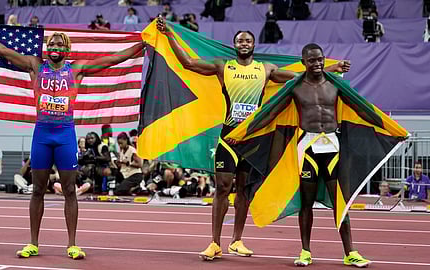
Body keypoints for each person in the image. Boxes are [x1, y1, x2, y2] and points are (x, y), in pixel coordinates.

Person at [156, 18, 350, 261]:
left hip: (253, 138)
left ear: (254, 44)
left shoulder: (266, 69)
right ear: (235, 45)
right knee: (223, 188)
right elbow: (188, 63)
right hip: (229, 136)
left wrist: (331, 69)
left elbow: (300, 76)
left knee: (245, 191)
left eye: (248, 40)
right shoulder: (222, 65)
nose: (244, 43)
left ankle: (237, 240)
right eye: (240, 40)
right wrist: (169, 36)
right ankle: (215, 243)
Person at [0, 20, 144, 259]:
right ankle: (33, 243)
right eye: (52, 43)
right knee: (37, 189)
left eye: (60, 43)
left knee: (70, 189)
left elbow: (112, 60)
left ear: (67, 50)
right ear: (47, 48)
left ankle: (72, 244)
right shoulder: (35, 65)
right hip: (42, 134)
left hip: (65, 134)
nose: (55, 46)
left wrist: (142, 44)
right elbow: (3, 51)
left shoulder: (76, 68)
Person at [259, 43, 369, 267]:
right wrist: (244, 133)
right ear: (303, 63)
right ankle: (305, 251)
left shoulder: (335, 84)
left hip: (333, 147)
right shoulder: (295, 87)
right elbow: (271, 112)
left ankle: (350, 252)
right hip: (307, 147)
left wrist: (390, 128)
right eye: (312, 60)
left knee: (341, 203)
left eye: (320, 59)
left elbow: (360, 107)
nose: (317, 63)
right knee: (306, 203)